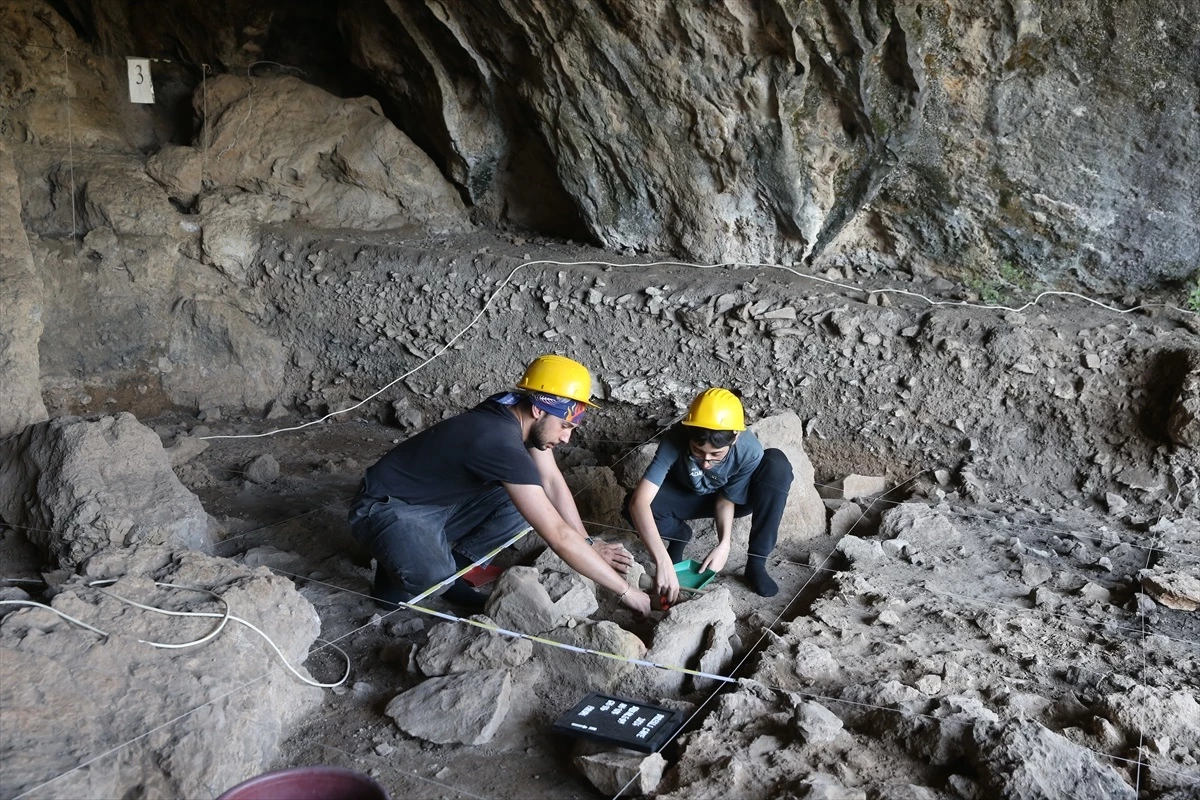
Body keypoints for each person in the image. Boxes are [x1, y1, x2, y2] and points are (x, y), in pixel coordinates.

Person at [348, 354, 651, 615]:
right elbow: (558, 536)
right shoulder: (499, 443)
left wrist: (589, 543)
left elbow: (550, 479)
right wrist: (626, 591)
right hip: (387, 507)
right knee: (430, 578)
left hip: (439, 499)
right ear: (538, 410)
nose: (565, 438)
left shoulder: (510, 406)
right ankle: (408, 571)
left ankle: (452, 574)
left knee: (528, 500)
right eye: (565, 426)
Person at [626, 387, 793, 601]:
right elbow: (639, 503)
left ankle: (756, 563)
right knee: (631, 506)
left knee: (776, 465)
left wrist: (724, 544)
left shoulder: (749, 449)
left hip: (731, 499)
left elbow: (727, 498)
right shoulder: (676, 437)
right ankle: (678, 537)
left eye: (716, 455)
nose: (706, 463)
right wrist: (662, 561)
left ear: (735, 438)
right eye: (697, 451)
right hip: (689, 495)